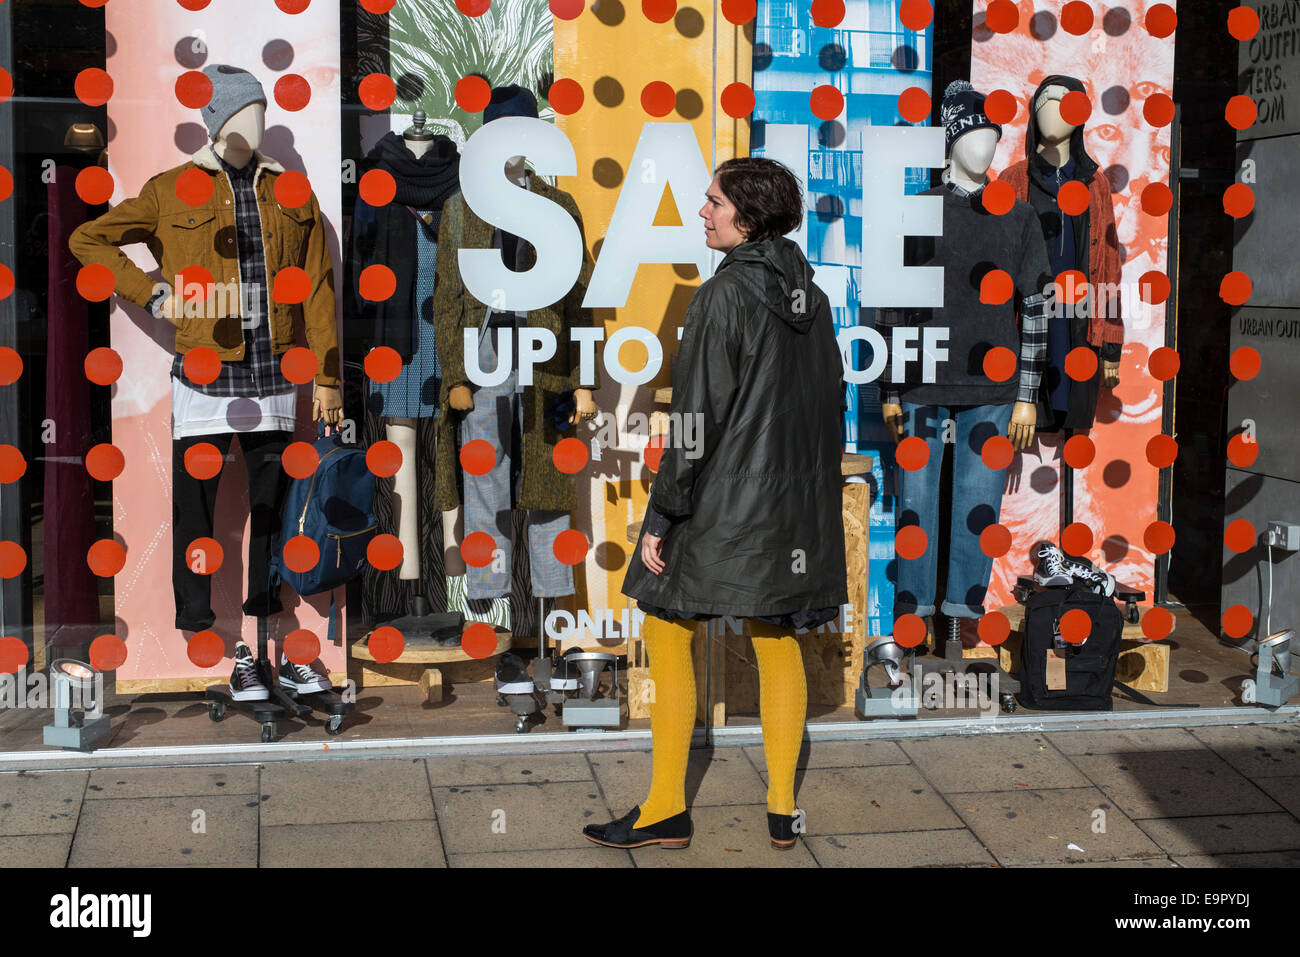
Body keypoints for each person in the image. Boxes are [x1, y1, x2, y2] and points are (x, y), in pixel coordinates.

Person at [583, 157, 847, 852]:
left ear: (749, 216)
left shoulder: (723, 295)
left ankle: (666, 807)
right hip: (790, 505)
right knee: (776, 634)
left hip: (720, 499)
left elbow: (694, 419)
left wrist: (666, 510)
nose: (703, 212)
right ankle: (784, 810)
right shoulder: (812, 298)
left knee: (667, 627)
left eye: (714, 202)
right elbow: (829, 408)